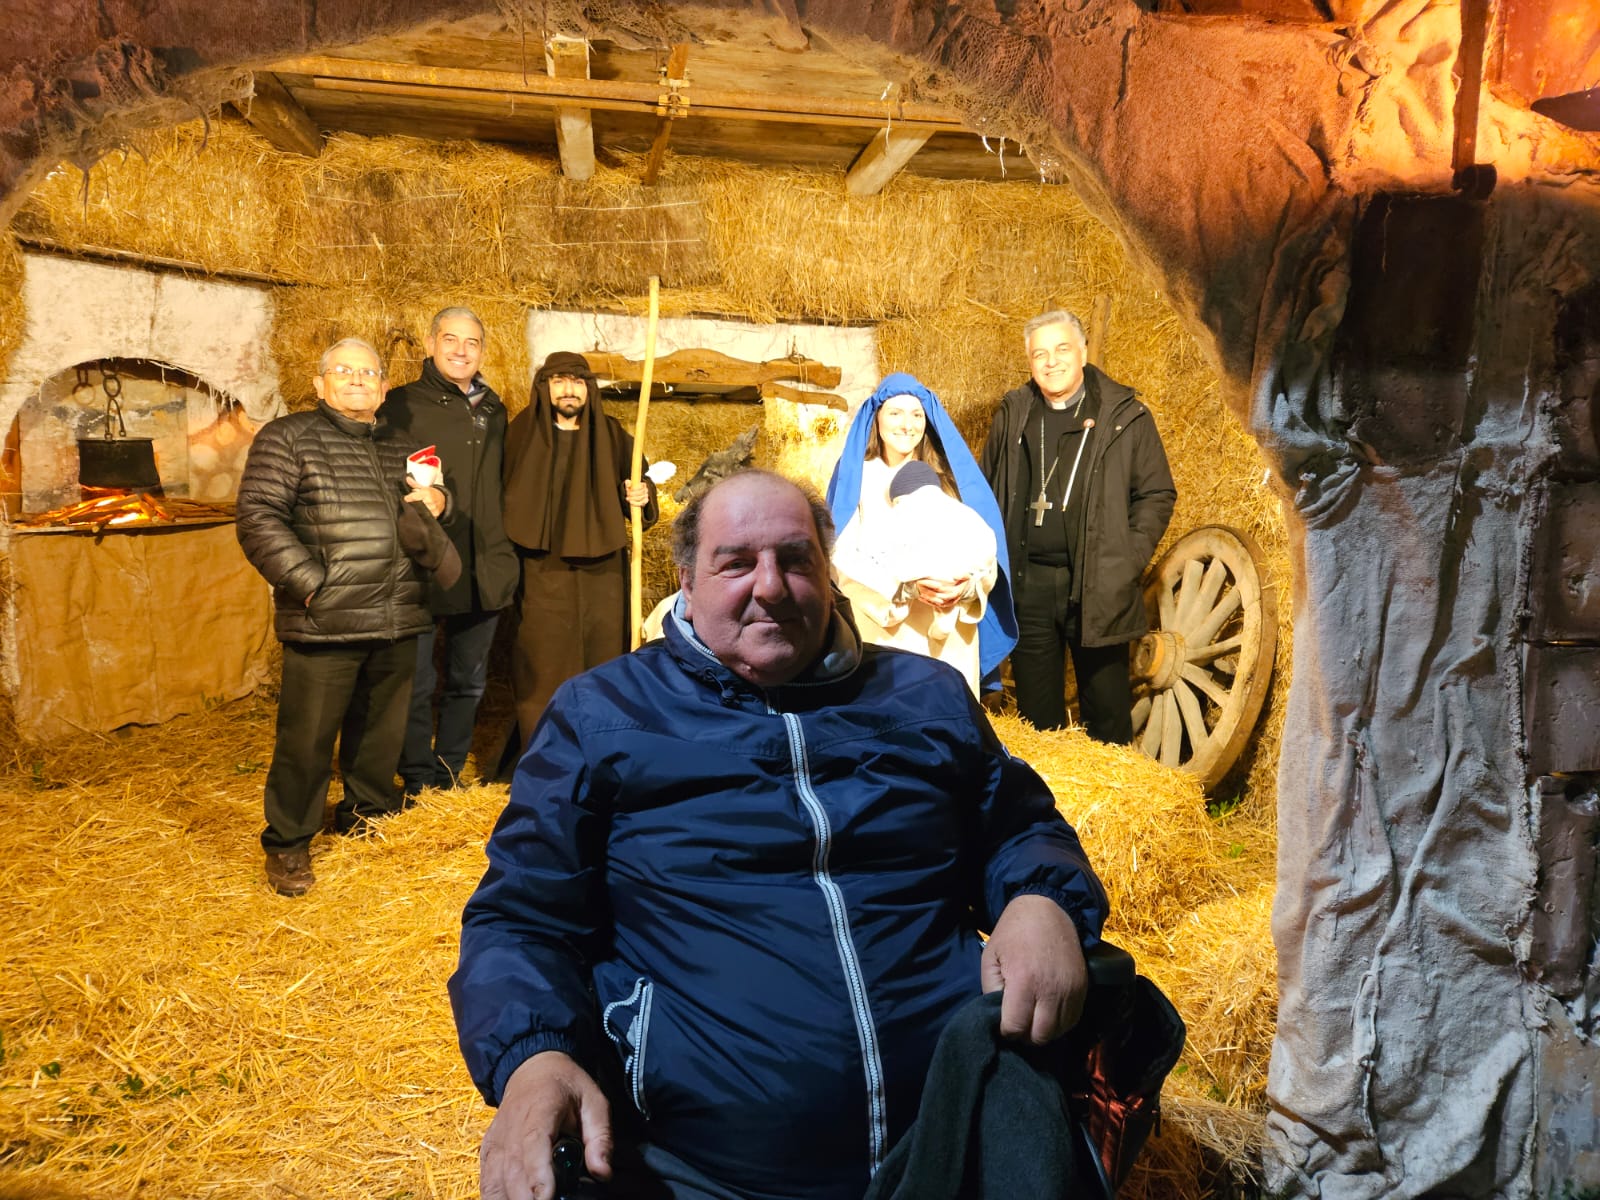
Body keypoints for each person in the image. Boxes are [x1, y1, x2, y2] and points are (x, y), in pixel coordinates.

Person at [449, 468, 1107, 1200]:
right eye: (736, 563)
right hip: (696, 1168)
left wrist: (1041, 899)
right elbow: (522, 916)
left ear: (828, 574)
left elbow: (1020, 824)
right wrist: (534, 1057)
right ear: (686, 581)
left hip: (954, 1134)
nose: (770, 586)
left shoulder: (925, 697)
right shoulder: (603, 715)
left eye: (795, 560)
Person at [236, 337, 449, 897]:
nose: (357, 380)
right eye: (344, 370)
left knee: (380, 733)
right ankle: (289, 842)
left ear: (384, 387)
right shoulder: (288, 437)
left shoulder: (401, 444)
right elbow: (258, 517)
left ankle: (367, 817)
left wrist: (440, 502)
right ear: (319, 382)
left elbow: (428, 504)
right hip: (326, 619)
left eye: (368, 373)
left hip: (397, 613)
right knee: (306, 741)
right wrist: (311, 586)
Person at [981, 311, 1176, 742]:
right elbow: (987, 489)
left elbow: (1157, 494)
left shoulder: (1125, 416)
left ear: (1083, 352)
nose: (1051, 362)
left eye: (1062, 349)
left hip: (1098, 584)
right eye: (1040, 354)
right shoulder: (1013, 415)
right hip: (1029, 587)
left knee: (1107, 716)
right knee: (1037, 724)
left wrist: (1125, 560)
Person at [382, 307, 519, 799]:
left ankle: (449, 772)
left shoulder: (493, 409)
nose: (461, 351)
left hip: (484, 562)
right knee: (416, 681)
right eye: (451, 339)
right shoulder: (399, 404)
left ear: (483, 350)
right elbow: (381, 473)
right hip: (423, 562)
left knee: (468, 681)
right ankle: (418, 776)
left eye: (472, 342)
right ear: (430, 343)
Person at [500, 351, 658, 751]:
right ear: (544, 387)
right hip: (541, 572)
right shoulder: (520, 434)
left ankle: (602, 751)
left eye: (577, 381)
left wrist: (641, 495)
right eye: (558, 381)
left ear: (589, 388)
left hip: (603, 574)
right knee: (543, 665)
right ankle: (546, 756)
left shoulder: (611, 434)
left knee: (603, 664)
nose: (568, 390)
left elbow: (639, 484)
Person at [825, 373, 1016, 696]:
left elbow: (983, 546)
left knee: (948, 711)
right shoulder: (857, 477)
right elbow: (840, 556)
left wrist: (966, 587)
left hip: (950, 638)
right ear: (877, 418)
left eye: (916, 415)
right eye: (895, 413)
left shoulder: (949, 478)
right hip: (887, 633)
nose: (907, 425)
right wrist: (905, 588)